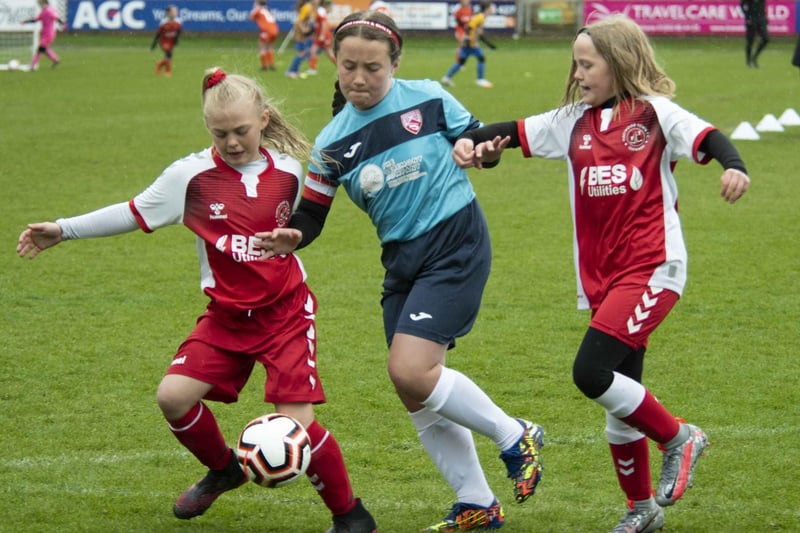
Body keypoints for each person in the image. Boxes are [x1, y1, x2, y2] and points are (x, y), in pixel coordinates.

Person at [16, 67, 377, 533]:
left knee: (298, 428)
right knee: (173, 397)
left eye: (241, 131)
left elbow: (308, 217)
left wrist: (293, 237)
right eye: (220, 132)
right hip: (226, 316)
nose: (231, 141)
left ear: (264, 119)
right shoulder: (190, 177)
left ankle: (351, 516)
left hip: (285, 313)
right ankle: (225, 468)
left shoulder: (288, 169)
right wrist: (62, 229)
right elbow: (130, 212)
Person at [452, 14, 750, 533]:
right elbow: (508, 133)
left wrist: (734, 165)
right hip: (602, 280)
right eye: (577, 63)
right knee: (620, 396)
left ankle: (680, 437)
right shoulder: (572, 121)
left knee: (590, 373)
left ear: (619, 64)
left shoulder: (655, 114)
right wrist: (474, 146)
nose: (579, 72)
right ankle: (641, 510)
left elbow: (708, 138)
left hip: (653, 266)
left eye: (588, 63)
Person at [255, 11, 545, 532]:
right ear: (334, 62)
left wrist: (479, 149)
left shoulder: (428, 98)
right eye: (349, 67)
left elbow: (481, 143)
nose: (360, 79)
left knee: (411, 369)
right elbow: (313, 214)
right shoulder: (332, 144)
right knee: (412, 387)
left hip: (455, 240)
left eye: (373, 68)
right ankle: (475, 500)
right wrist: (293, 236)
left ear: (394, 65)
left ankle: (513, 433)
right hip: (401, 259)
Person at [441, 1, 496, 88]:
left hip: (467, 41)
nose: (493, 9)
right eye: (491, 8)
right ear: (487, 9)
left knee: (461, 61)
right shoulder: (481, 17)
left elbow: (473, 29)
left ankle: (447, 78)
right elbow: (470, 28)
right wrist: (471, 40)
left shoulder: (480, 16)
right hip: (470, 43)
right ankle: (480, 80)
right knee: (481, 58)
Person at [21, 0, 63, 70]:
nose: (40, 6)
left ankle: (32, 65)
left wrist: (62, 23)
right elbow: (36, 20)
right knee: (43, 49)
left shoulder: (48, 11)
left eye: (41, 4)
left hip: (48, 34)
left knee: (40, 49)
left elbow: (56, 17)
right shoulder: (44, 12)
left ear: (45, 3)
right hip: (45, 34)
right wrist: (25, 22)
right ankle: (55, 59)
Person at [150, 5, 182, 77]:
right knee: (168, 54)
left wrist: (176, 40)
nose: (175, 13)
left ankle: (159, 64)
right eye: (173, 11)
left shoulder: (178, 22)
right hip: (164, 42)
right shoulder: (163, 23)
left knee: (169, 57)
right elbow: (158, 34)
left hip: (171, 42)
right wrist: (154, 44)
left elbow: (178, 32)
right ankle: (168, 72)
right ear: (168, 13)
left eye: (176, 11)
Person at [285, 0, 314, 78]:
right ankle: (291, 71)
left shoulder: (308, 7)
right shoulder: (307, 7)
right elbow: (300, 21)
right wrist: (304, 30)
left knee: (303, 53)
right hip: (300, 34)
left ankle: (295, 71)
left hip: (302, 34)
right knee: (302, 53)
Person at [306, 0, 336, 75]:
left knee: (329, 53)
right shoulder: (314, 10)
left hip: (324, 35)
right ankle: (312, 70)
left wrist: (322, 34)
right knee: (313, 51)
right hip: (319, 35)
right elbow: (317, 25)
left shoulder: (320, 10)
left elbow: (324, 23)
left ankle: (342, 68)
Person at [250, 0, 279, 71]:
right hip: (275, 29)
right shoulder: (266, 9)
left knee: (262, 46)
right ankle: (272, 65)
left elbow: (250, 18)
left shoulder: (258, 9)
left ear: (257, 3)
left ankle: (264, 66)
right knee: (269, 47)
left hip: (266, 31)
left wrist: (254, 9)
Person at [740, 0, 768, 68]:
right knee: (750, 41)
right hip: (751, 19)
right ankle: (748, 61)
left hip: (761, 19)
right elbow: (741, 5)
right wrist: (747, 16)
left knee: (765, 39)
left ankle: (754, 57)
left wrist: (765, 17)